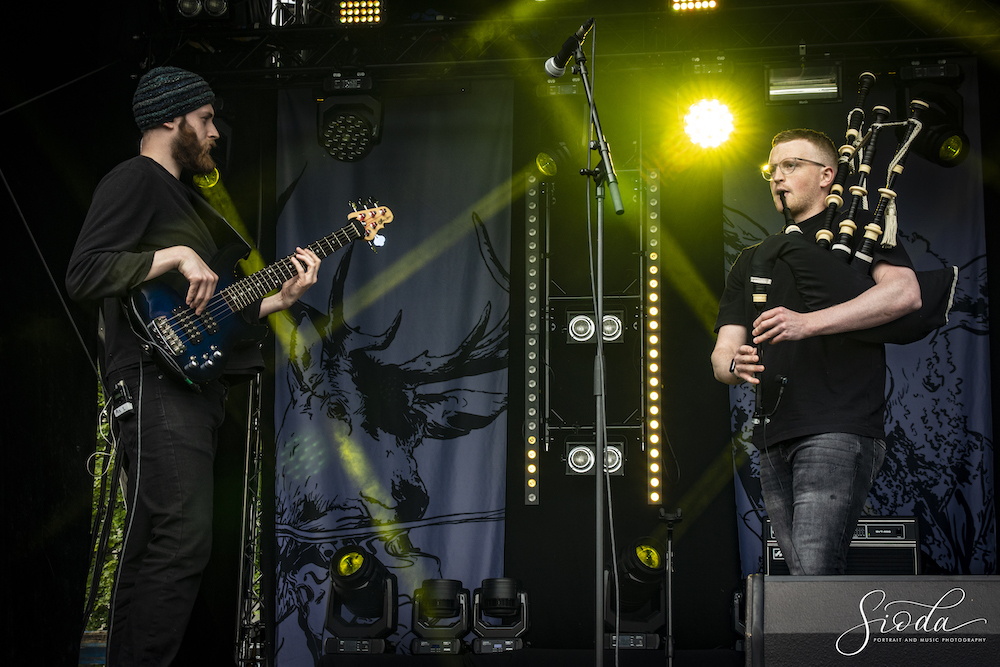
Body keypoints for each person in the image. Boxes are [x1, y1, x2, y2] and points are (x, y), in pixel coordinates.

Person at [66, 66, 321, 666]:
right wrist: (175, 253)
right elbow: (84, 273)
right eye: (205, 119)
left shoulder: (185, 198)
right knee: (181, 539)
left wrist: (276, 301)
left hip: (190, 385)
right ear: (169, 119)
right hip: (153, 381)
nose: (215, 132)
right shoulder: (135, 179)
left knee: (160, 543)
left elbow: (208, 314)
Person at [711, 128, 922, 575]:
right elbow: (723, 352)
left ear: (827, 175)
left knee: (813, 571)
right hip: (773, 432)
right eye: (772, 169)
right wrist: (733, 363)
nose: (777, 177)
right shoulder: (752, 259)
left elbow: (904, 294)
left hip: (837, 424)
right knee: (804, 580)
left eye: (791, 165)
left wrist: (806, 323)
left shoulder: (860, 234)